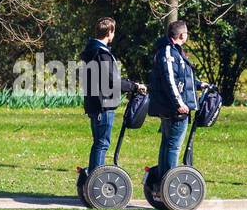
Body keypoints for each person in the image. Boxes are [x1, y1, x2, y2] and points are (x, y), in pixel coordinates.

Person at [80, 17, 145, 171]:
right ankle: (96, 179)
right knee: (102, 143)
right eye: (113, 32)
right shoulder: (101, 53)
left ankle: (92, 178)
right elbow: (112, 80)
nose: (113, 35)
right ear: (109, 32)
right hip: (104, 104)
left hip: (95, 103)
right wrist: (134, 86)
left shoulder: (92, 50)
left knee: (98, 142)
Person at [146, 19, 208, 180]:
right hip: (174, 109)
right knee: (173, 146)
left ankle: (163, 181)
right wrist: (179, 104)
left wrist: (199, 84)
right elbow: (169, 79)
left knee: (167, 144)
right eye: (186, 33)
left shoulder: (175, 52)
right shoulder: (169, 52)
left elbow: (182, 78)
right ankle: (169, 182)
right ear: (181, 35)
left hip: (173, 106)